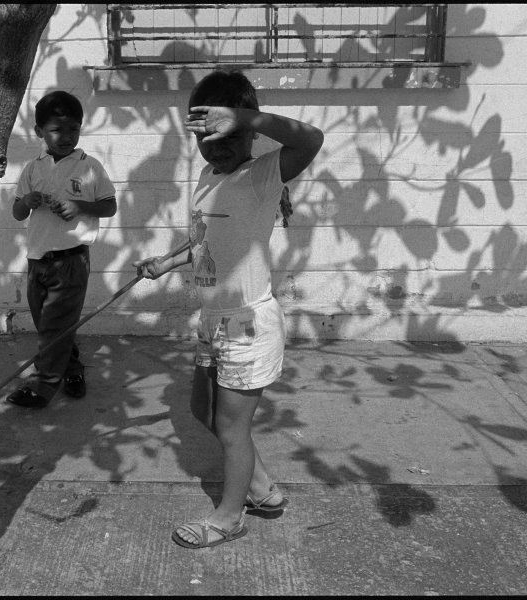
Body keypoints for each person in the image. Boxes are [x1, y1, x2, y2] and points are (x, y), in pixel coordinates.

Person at [133, 71, 323, 548]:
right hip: (214, 321)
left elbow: (312, 139)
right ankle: (262, 491)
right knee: (203, 409)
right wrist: (165, 262)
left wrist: (243, 114)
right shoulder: (205, 177)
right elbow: (202, 239)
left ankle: (229, 516)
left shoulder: (262, 174)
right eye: (203, 138)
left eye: (227, 135)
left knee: (231, 426)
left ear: (250, 131)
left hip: (248, 323)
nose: (214, 148)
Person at [7, 90, 117, 409]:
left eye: (73, 129)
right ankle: (72, 370)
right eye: (57, 130)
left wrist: (80, 206)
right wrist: (26, 202)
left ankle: (44, 385)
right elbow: (17, 212)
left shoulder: (89, 167)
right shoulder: (33, 169)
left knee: (54, 326)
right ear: (40, 131)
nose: (66, 136)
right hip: (37, 260)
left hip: (71, 261)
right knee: (50, 325)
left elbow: (109, 206)